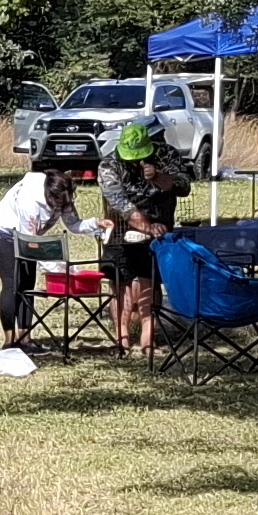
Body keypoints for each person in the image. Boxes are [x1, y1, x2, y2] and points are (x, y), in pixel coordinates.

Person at [96, 119, 188, 355]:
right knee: (121, 284)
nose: (136, 161)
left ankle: (149, 339)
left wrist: (158, 177)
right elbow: (123, 205)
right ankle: (122, 339)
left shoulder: (166, 155)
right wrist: (149, 227)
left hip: (159, 231)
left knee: (150, 281)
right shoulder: (109, 166)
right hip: (121, 231)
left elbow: (184, 186)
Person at [0, 160, 58, 346]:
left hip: (25, 234)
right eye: (56, 203)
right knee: (12, 283)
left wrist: (95, 225)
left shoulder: (62, 194)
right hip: (1, 233)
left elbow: (74, 223)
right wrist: (54, 266)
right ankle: (10, 341)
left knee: (27, 285)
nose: (59, 207)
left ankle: (26, 338)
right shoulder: (30, 202)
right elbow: (29, 242)